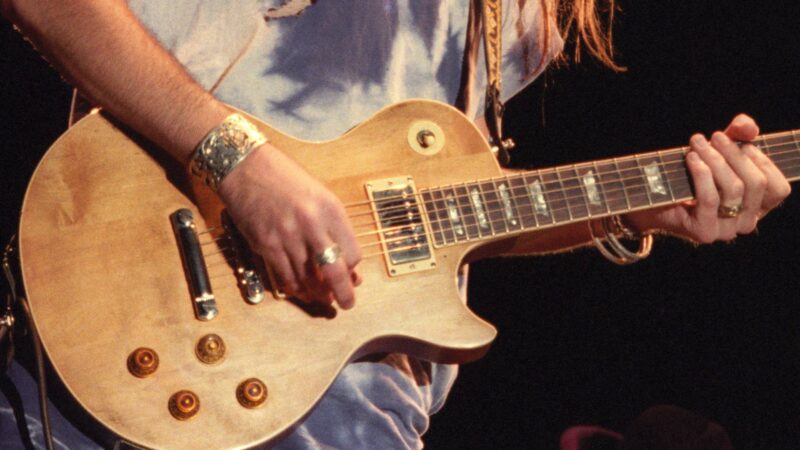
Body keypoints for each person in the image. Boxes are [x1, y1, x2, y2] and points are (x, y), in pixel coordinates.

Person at [0, 0, 791, 448]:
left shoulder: (521, 22)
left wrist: (643, 203)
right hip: (157, 335)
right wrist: (237, 162)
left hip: (363, 415)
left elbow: (422, 219)